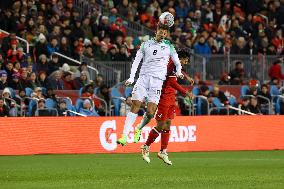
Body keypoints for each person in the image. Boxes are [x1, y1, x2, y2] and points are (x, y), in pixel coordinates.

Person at [116, 23, 184, 146]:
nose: (163, 34)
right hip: (143, 78)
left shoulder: (169, 46)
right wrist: (132, 78)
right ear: (156, 31)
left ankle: (138, 128)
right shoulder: (145, 44)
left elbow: (177, 63)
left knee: (151, 112)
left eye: (165, 32)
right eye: (161, 31)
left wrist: (179, 72)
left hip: (158, 82)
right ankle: (124, 136)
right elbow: (136, 61)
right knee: (135, 104)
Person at [137, 49, 193, 165]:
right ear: (180, 58)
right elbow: (172, 82)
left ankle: (163, 151)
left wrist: (186, 77)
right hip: (163, 95)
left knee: (168, 123)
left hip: (171, 95)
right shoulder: (169, 63)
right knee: (161, 124)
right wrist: (185, 92)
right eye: (185, 61)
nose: (185, 63)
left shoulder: (174, 63)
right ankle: (146, 146)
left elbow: (179, 71)